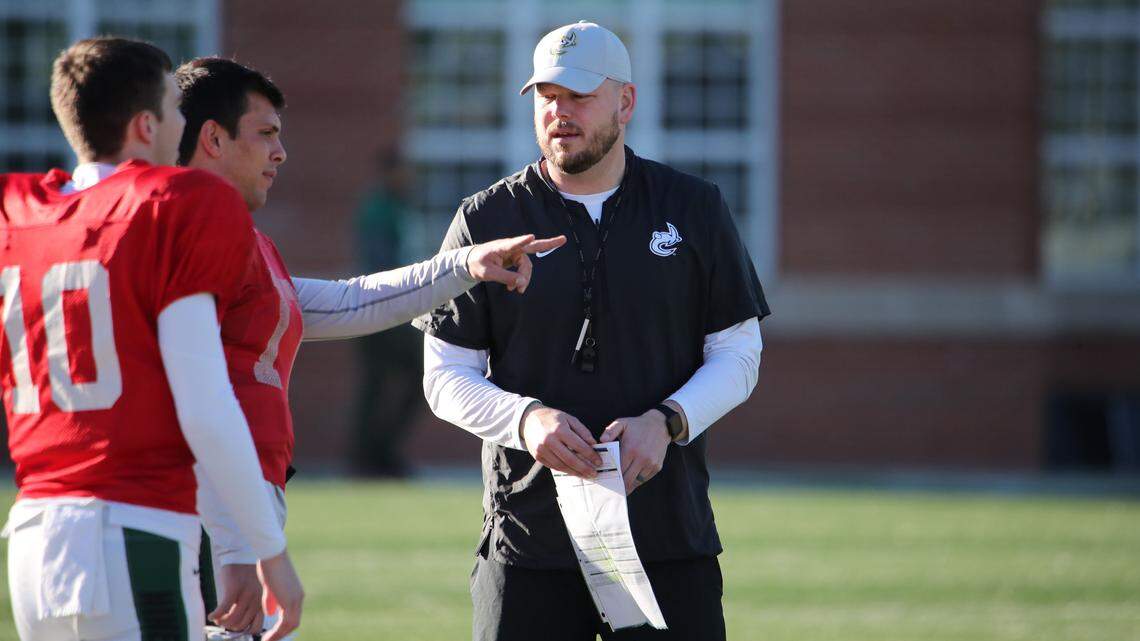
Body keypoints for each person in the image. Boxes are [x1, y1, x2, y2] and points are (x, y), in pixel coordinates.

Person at [173, 57, 565, 638]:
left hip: (225, 512)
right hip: (205, 515)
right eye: (266, 134)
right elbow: (190, 397)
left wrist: (465, 264)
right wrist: (245, 541)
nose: (280, 153)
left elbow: (348, 302)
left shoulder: (236, 241)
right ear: (212, 138)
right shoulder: (185, 232)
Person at [415, 21, 769, 641]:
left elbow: (739, 353)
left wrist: (668, 420)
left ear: (626, 102)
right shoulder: (487, 218)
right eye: (547, 96)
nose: (560, 112)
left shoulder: (693, 208)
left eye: (579, 95)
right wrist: (526, 420)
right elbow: (443, 376)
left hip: (667, 539)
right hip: (529, 543)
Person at [0, 37, 303, 641]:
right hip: (132, 529)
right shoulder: (177, 205)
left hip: (31, 537)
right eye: (174, 107)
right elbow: (206, 404)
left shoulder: (22, 212)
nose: (184, 123)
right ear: (146, 125)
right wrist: (263, 549)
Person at [350, 150, 421, 477]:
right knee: (378, 386)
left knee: (385, 385)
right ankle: (371, 456)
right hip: (379, 309)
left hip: (391, 309)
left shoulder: (401, 207)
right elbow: (381, 262)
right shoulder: (380, 209)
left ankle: (377, 453)